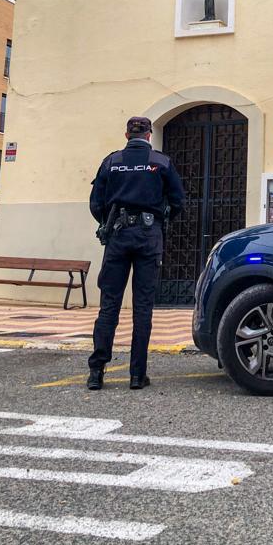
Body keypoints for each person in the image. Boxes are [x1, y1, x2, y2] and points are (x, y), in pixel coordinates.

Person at [87, 115, 185, 391]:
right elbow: (178, 201)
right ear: (149, 135)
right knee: (143, 308)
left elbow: (96, 203)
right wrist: (160, 220)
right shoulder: (161, 162)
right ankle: (136, 375)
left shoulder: (112, 161)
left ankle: (96, 372)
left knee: (109, 305)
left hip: (117, 234)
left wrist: (109, 222)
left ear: (127, 134)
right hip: (148, 236)